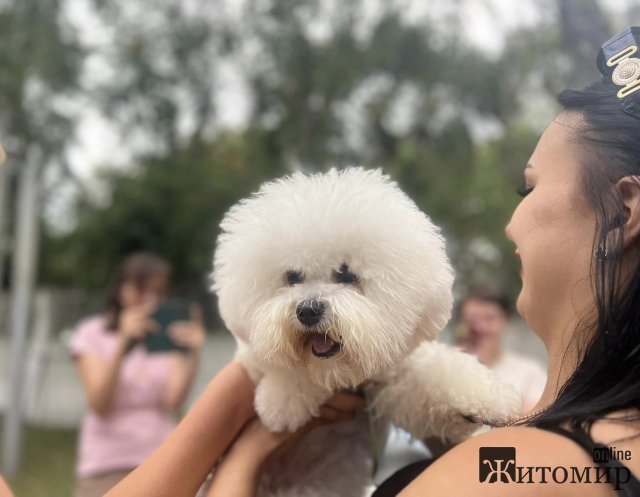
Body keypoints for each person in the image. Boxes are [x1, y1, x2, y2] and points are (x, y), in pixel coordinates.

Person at [106, 27, 640, 497]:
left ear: (623, 210)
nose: (511, 222)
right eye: (293, 278)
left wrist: (245, 458)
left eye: (528, 188)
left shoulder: (510, 472)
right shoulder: (588, 452)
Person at [70, 251, 206, 497]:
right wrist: (123, 343)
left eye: (158, 292)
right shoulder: (92, 333)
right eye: (141, 289)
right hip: (106, 465)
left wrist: (193, 356)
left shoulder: (164, 339)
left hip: (159, 459)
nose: (150, 300)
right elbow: (100, 404)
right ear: (121, 288)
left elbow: (173, 402)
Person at [457, 285, 547, 413]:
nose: (481, 328)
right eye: (473, 320)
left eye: (489, 319)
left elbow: (535, 422)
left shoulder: (530, 373)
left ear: (504, 321)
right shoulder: (446, 368)